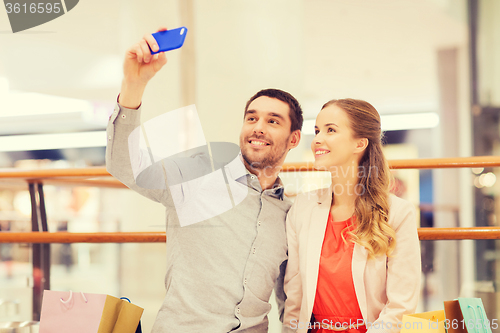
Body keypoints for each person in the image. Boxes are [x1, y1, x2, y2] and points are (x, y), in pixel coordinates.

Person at [106, 27, 303, 332]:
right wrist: (134, 85)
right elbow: (125, 166)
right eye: (251, 118)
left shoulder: (290, 215)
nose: (258, 127)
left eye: (272, 121)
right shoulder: (198, 175)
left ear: (294, 139)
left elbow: (289, 298)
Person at [282, 99, 421, 333]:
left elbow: (401, 306)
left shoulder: (398, 213)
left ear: (360, 143)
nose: (317, 139)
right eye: (316, 130)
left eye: (330, 130)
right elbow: (294, 298)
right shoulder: (303, 207)